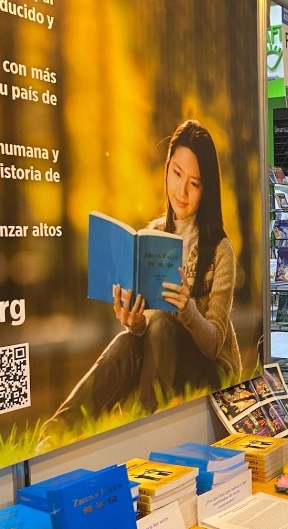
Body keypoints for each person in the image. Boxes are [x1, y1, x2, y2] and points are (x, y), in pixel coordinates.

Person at [57, 120, 241, 424]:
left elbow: (214, 345)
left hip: (208, 367)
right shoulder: (152, 235)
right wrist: (134, 322)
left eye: (194, 183)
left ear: (207, 189)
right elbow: (148, 334)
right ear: (166, 169)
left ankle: (143, 423)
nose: (182, 191)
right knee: (127, 341)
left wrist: (188, 309)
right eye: (177, 174)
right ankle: (57, 429)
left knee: (164, 326)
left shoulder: (220, 249)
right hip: (161, 358)